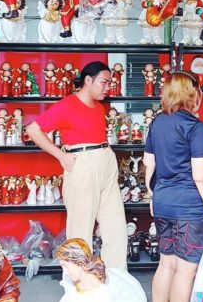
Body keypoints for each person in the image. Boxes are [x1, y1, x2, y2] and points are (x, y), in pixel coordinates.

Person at [26, 61, 127, 269]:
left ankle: (117, 278)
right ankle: (77, 283)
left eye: (110, 83)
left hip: (105, 161)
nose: (108, 87)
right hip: (82, 162)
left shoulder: (99, 108)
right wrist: (60, 156)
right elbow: (33, 129)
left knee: (116, 228)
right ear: (88, 81)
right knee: (80, 228)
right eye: (104, 82)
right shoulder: (67, 105)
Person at [143, 71, 203, 302]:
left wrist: (152, 195)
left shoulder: (157, 122)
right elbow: (201, 175)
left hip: (164, 202)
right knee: (186, 270)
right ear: (193, 93)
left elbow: (149, 163)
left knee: (166, 264)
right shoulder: (195, 127)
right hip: (189, 207)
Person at [53, 238, 147, 302]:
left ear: (79, 262)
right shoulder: (78, 286)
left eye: (66, 266)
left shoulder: (99, 291)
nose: (65, 272)